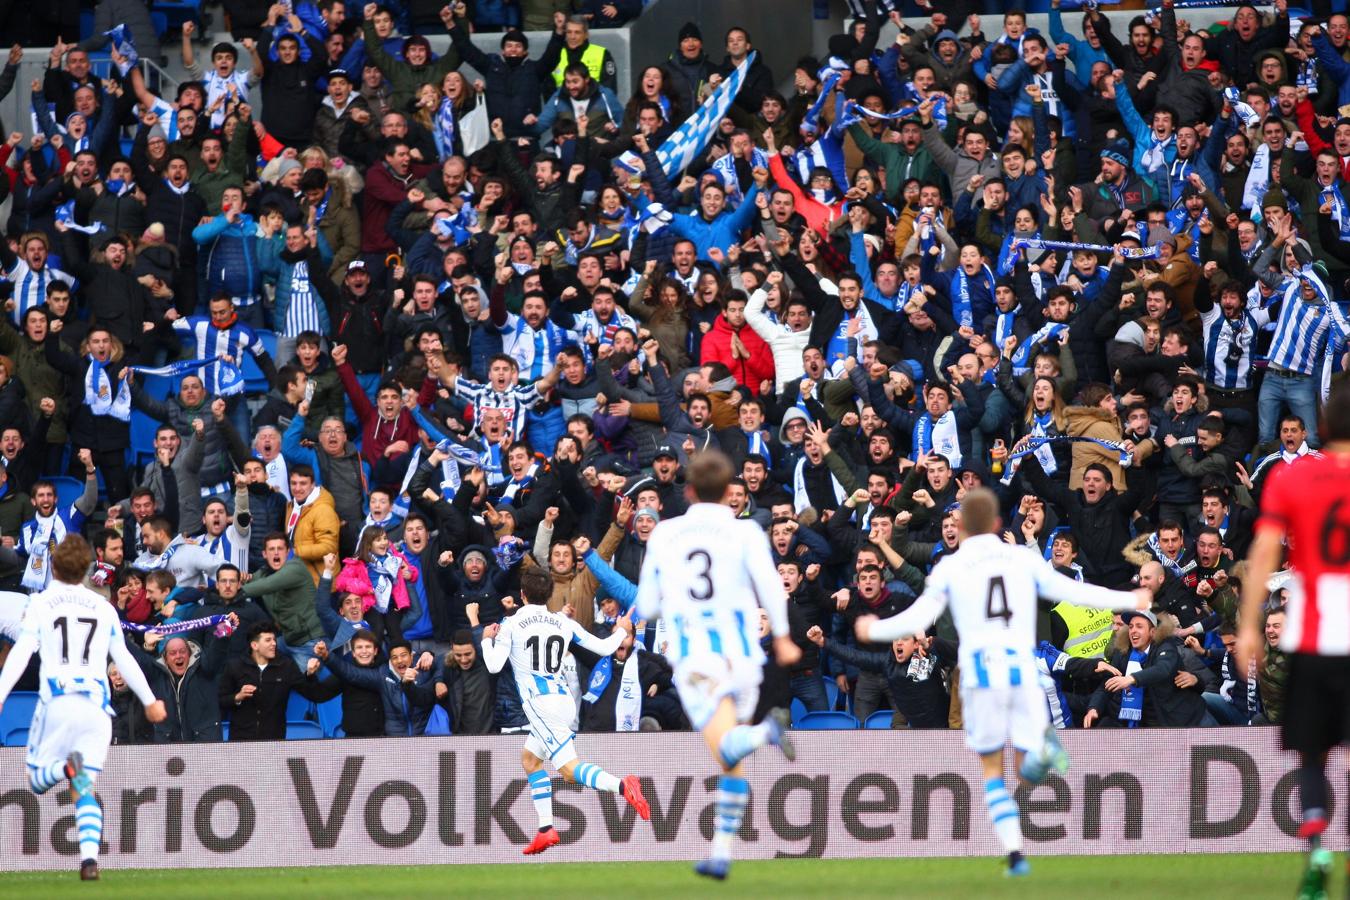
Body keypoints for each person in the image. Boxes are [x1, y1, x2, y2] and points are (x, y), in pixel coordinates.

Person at [855, 488, 1151, 877]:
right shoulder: (1021, 559)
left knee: (992, 770)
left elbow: (919, 616)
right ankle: (1038, 760)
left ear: (962, 527)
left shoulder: (951, 567)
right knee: (1024, 763)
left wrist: (875, 629)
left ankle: (1014, 852)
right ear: (997, 523)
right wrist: (1130, 600)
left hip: (980, 676)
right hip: (1022, 670)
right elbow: (1073, 590)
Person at [633, 451, 798, 880]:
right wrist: (782, 637)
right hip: (744, 658)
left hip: (698, 658)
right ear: (729, 493)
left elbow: (647, 606)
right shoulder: (746, 531)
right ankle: (721, 853)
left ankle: (767, 732)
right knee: (730, 757)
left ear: (688, 490)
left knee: (725, 747)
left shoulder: (665, 533)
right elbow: (770, 585)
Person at [1236, 381, 1350, 898]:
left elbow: (1263, 553)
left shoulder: (1293, 475)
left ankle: (1318, 845)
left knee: (1312, 753)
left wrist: (1248, 626)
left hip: (1312, 631)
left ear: (1321, 427)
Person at [0, 535, 167, 881]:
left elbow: (22, 651)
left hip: (58, 701)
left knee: (36, 780)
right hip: (97, 707)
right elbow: (123, 657)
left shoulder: (41, 603)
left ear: (54, 566)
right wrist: (150, 701)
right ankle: (89, 859)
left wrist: (1, 693)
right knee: (84, 788)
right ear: (86, 570)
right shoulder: (103, 607)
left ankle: (64, 768)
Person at [481, 567, 650, 854]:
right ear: (549, 595)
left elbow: (494, 665)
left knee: (569, 771)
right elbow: (604, 648)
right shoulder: (562, 621)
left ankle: (623, 785)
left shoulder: (511, 623)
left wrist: (487, 638)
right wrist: (622, 629)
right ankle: (545, 828)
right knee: (530, 760)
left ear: (522, 595)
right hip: (563, 701)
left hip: (541, 705)